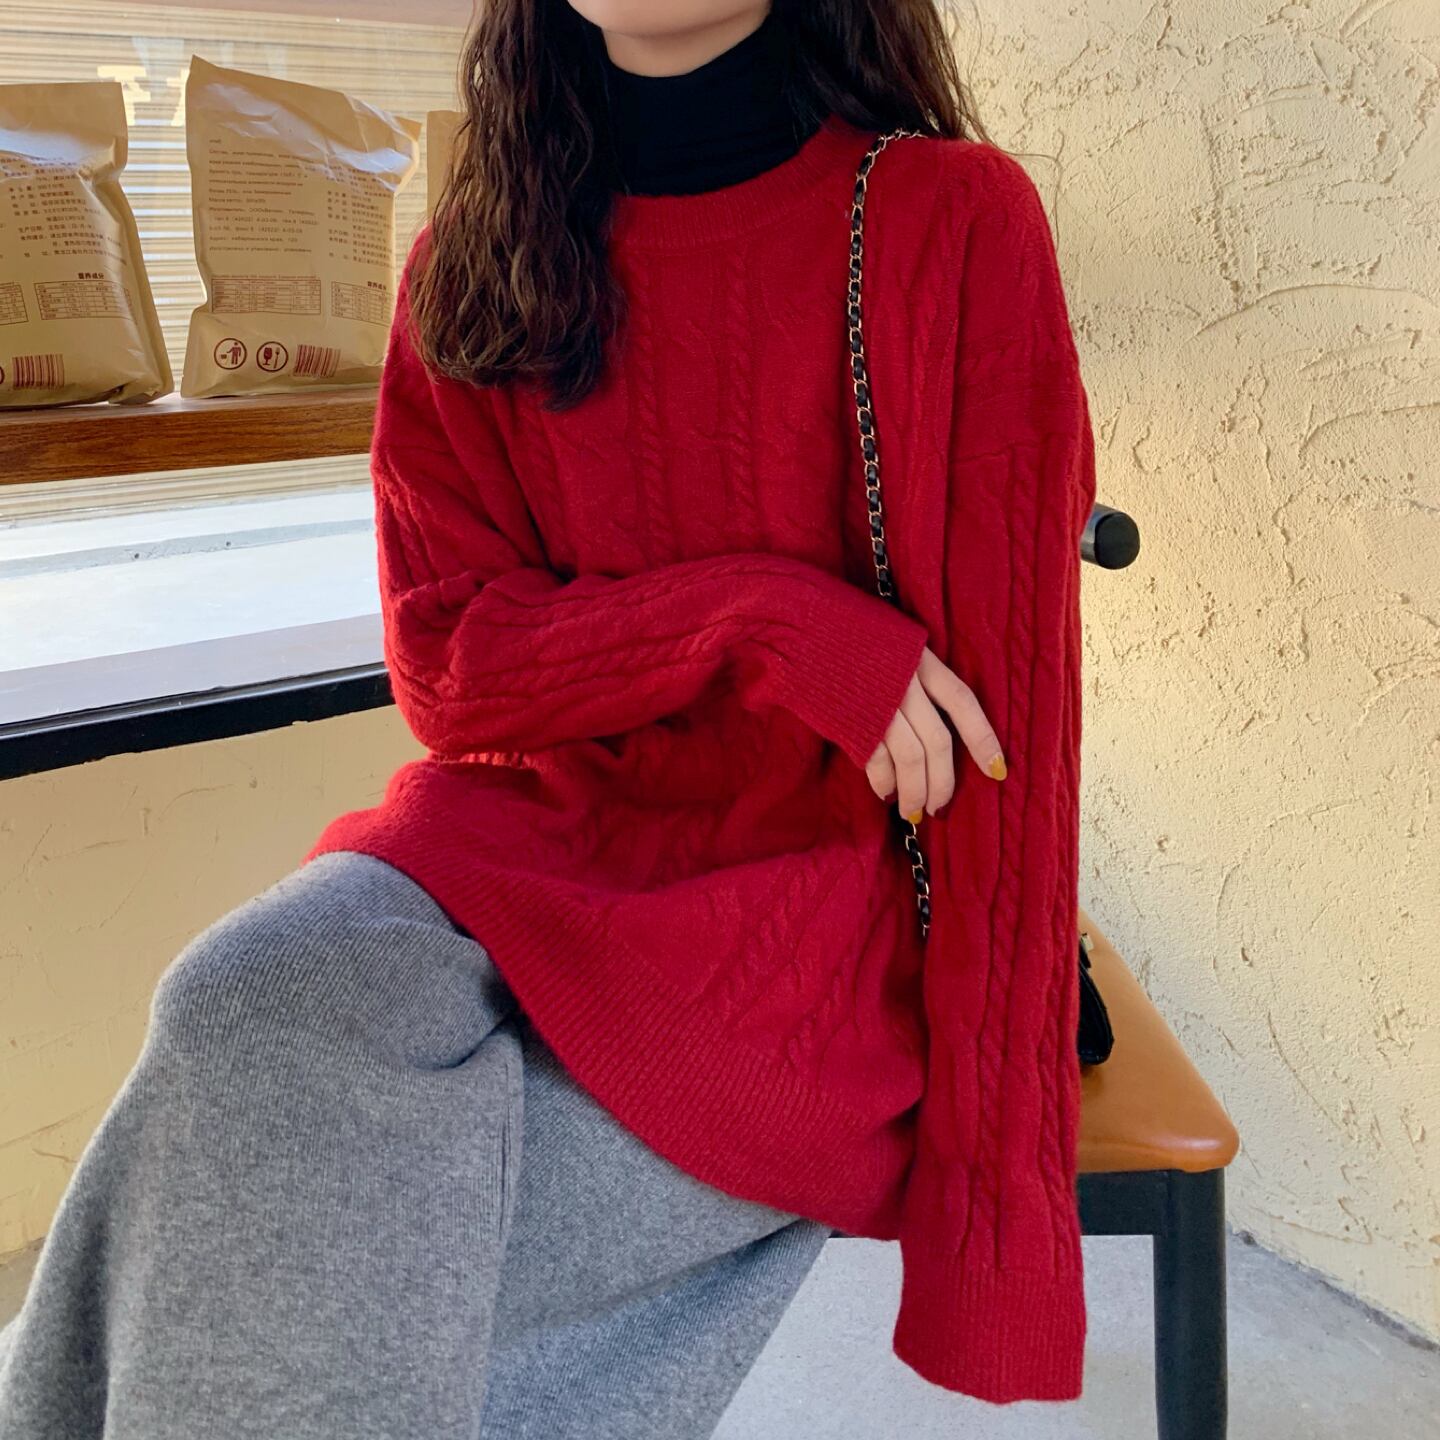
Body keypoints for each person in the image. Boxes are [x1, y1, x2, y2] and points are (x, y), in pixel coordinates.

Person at [0, 2, 1097, 1435]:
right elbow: (449, 667)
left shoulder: (949, 222)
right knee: (237, 1002)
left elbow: (1014, 752)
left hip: (815, 910)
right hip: (529, 839)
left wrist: (995, 1214)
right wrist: (765, 625)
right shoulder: (475, 257)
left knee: (313, 1229)